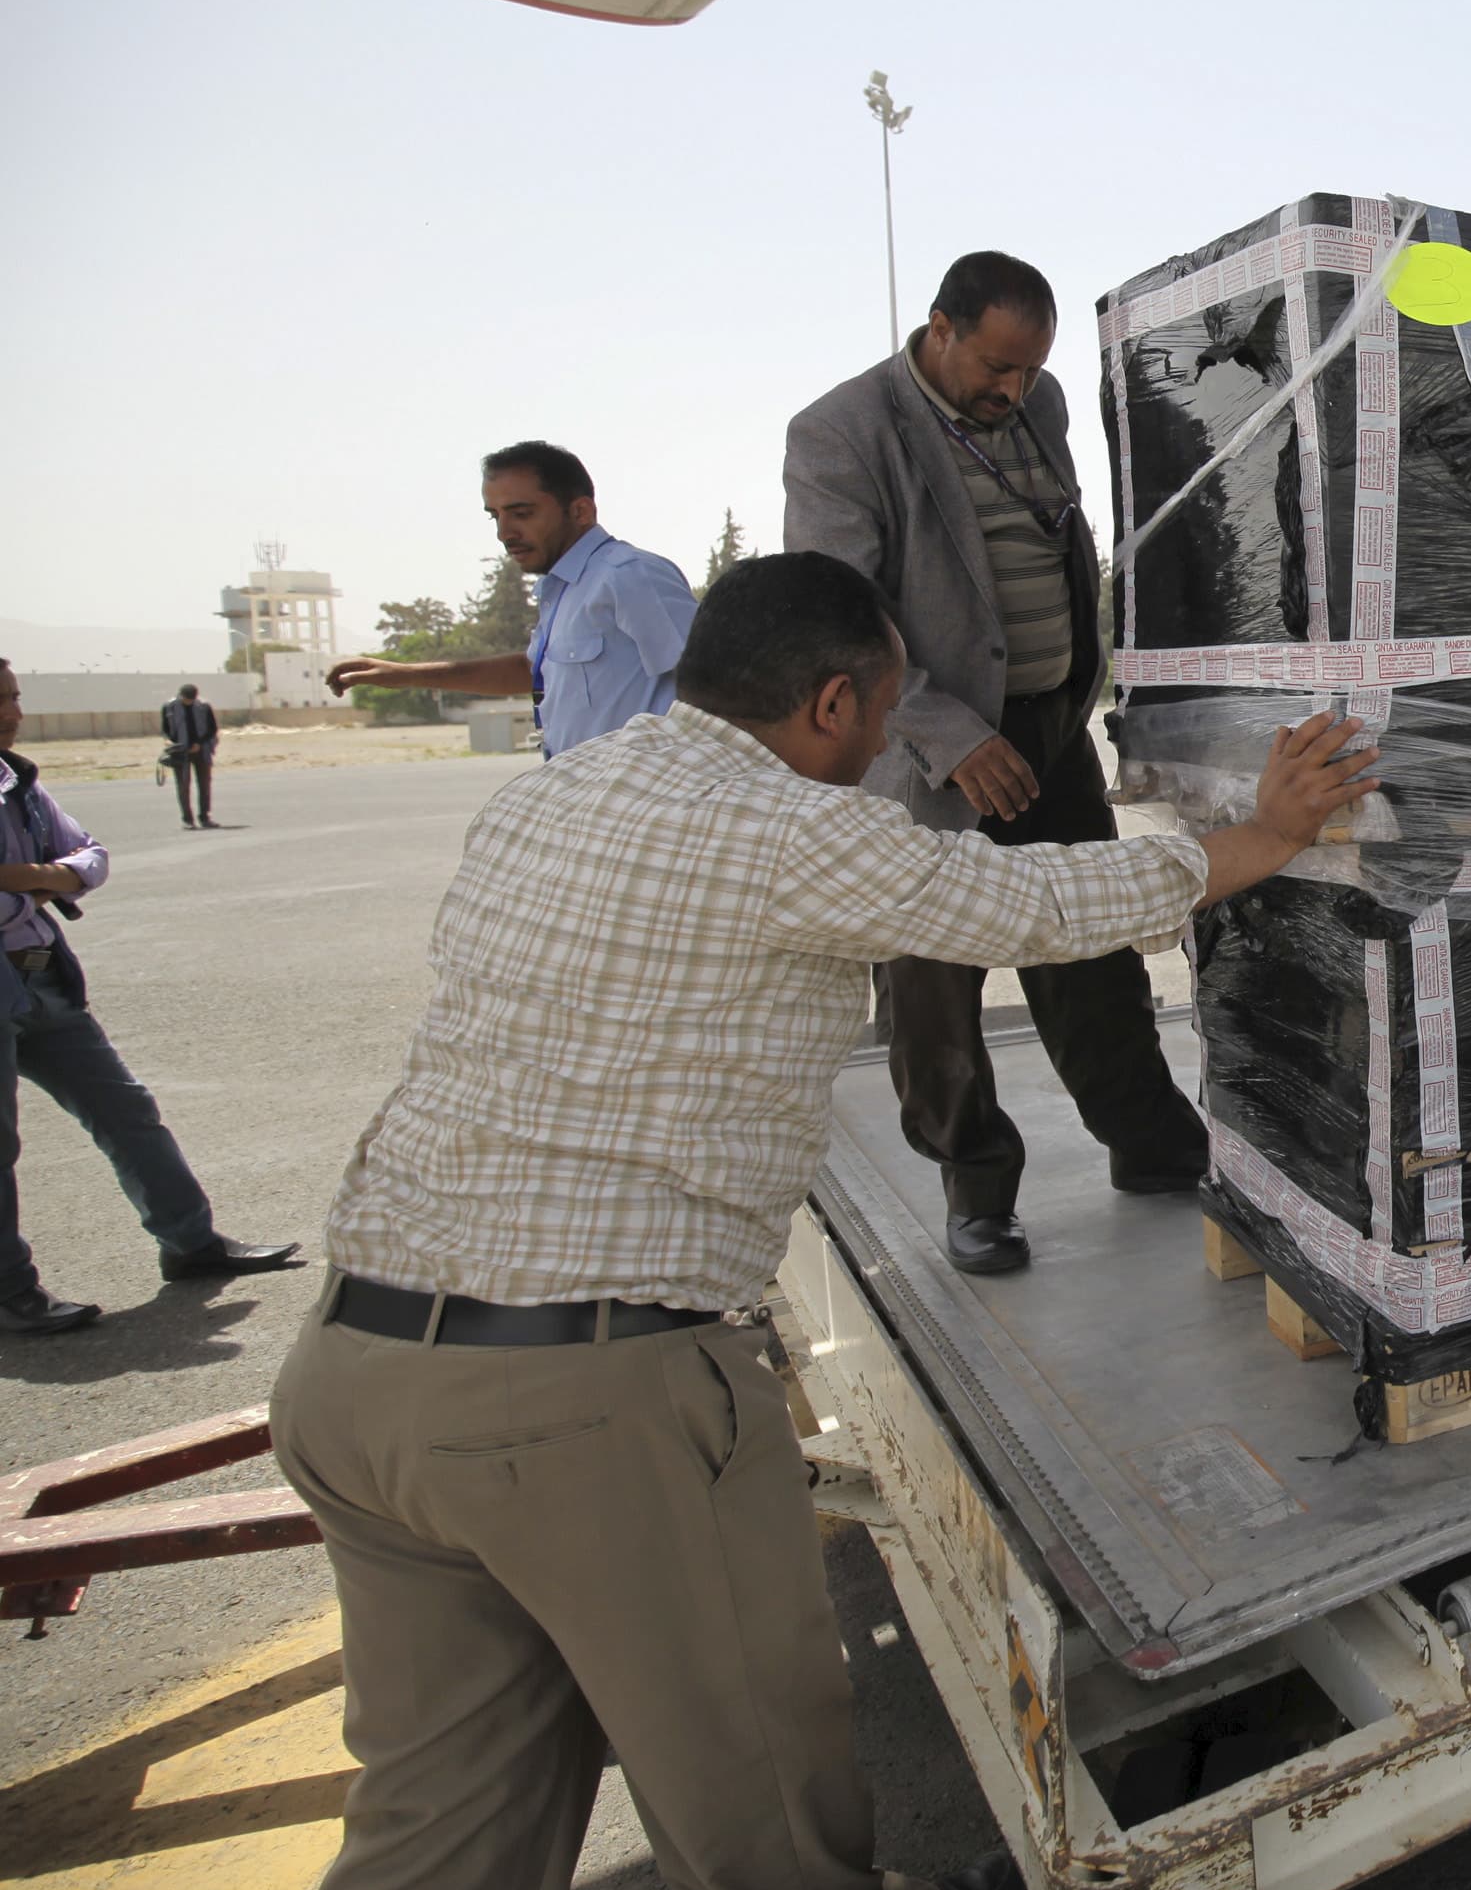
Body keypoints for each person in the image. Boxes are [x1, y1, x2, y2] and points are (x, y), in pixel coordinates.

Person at [267, 552, 1378, 1890]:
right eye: (887, 714)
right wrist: (1266, 835)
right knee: (760, 1802)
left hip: (355, 1378)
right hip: (580, 1405)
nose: (881, 750)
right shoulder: (787, 829)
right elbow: (1036, 910)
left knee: (440, 1821)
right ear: (834, 701)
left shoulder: (546, 795)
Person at [787, 250, 1203, 1275]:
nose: (1012, 390)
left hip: (1046, 729)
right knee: (934, 987)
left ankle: (1149, 1146)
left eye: (1029, 371)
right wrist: (949, 734)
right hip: (928, 751)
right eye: (994, 367)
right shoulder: (841, 432)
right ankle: (976, 1187)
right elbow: (844, 614)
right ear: (939, 328)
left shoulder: (1040, 399)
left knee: (1091, 941)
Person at [0, 658, 298, 1336]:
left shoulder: (16, 782)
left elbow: (90, 858)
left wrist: (35, 873)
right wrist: (47, 879)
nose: (11, 711)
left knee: (124, 1107)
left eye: (14, 695)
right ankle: (9, 1290)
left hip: (40, 974)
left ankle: (190, 1243)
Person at [327, 441, 697, 755]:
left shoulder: (629, 576)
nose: (505, 533)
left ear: (580, 510)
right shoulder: (564, 589)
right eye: (495, 516)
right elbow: (534, 672)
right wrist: (406, 675)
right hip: (582, 804)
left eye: (522, 513)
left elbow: (713, 684)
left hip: (635, 806)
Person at [160, 682, 222, 830]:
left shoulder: (204, 706)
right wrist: (167, 740)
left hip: (202, 751)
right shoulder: (169, 707)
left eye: (192, 700)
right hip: (180, 752)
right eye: (187, 699)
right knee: (183, 787)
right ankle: (187, 819)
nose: (189, 702)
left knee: (204, 785)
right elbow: (165, 729)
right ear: (180, 696)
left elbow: (212, 729)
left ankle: (205, 818)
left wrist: (199, 743)